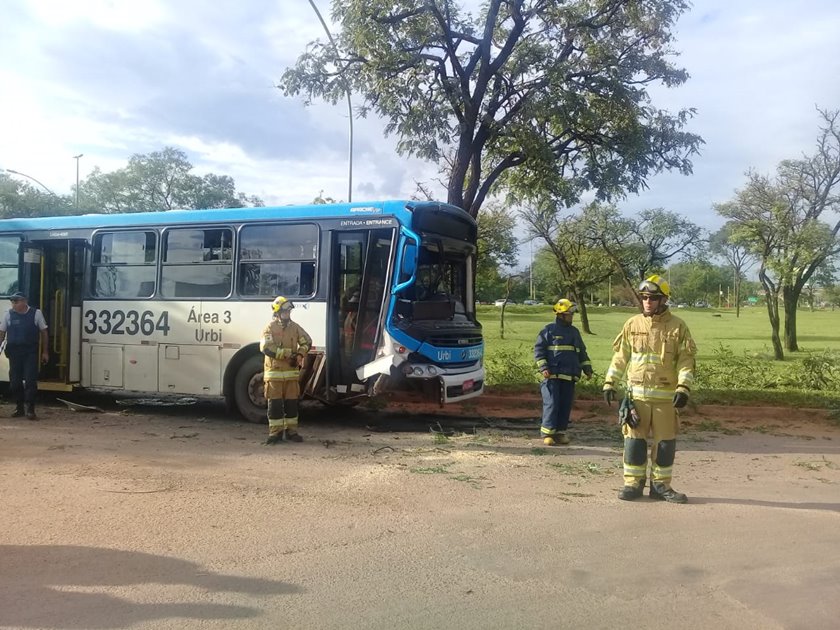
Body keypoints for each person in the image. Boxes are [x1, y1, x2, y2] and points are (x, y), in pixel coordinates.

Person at [603, 275, 697, 503]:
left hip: (666, 399)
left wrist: (684, 387)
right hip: (636, 398)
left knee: (665, 444)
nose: (647, 302)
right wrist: (609, 382)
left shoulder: (678, 327)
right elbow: (620, 357)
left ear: (663, 300)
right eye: (644, 297)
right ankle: (633, 484)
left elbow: (686, 360)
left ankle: (661, 486)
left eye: (653, 298)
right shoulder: (632, 325)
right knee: (634, 442)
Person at [534, 299, 592, 446]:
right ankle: (548, 434)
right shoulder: (548, 331)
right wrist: (543, 367)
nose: (571, 317)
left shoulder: (574, 332)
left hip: (569, 375)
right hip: (552, 376)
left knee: (565, 405)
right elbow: (539, 351)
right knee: (552, 404)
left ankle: (560, 433)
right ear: (561, 315)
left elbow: (581, 352)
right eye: (569, 314)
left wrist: (587, 368)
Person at [260, 296, 312, 444]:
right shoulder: (270, 328)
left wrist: (301, 354)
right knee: (275, 405)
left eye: (289, 311)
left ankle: (292, 432)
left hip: (291, 375)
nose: (288, 314)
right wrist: (287, 354)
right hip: (274, 374)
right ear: (277, 312)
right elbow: (266, 348)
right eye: (285, 312)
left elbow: (307, 341)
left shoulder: (295, 327)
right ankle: (275, 434)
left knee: (291, 405)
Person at [0, 291, 49, 420]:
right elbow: (2, 333)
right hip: (14, 353)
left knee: (30, 381)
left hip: (30, 352)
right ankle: (19, 407)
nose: (14, 304)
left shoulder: (36, 313)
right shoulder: (8, 314)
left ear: (25, 301)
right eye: (12, 302)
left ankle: (30, 409)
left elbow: (44, 332)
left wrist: (45, 352)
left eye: (16, 301)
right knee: (15, 382)